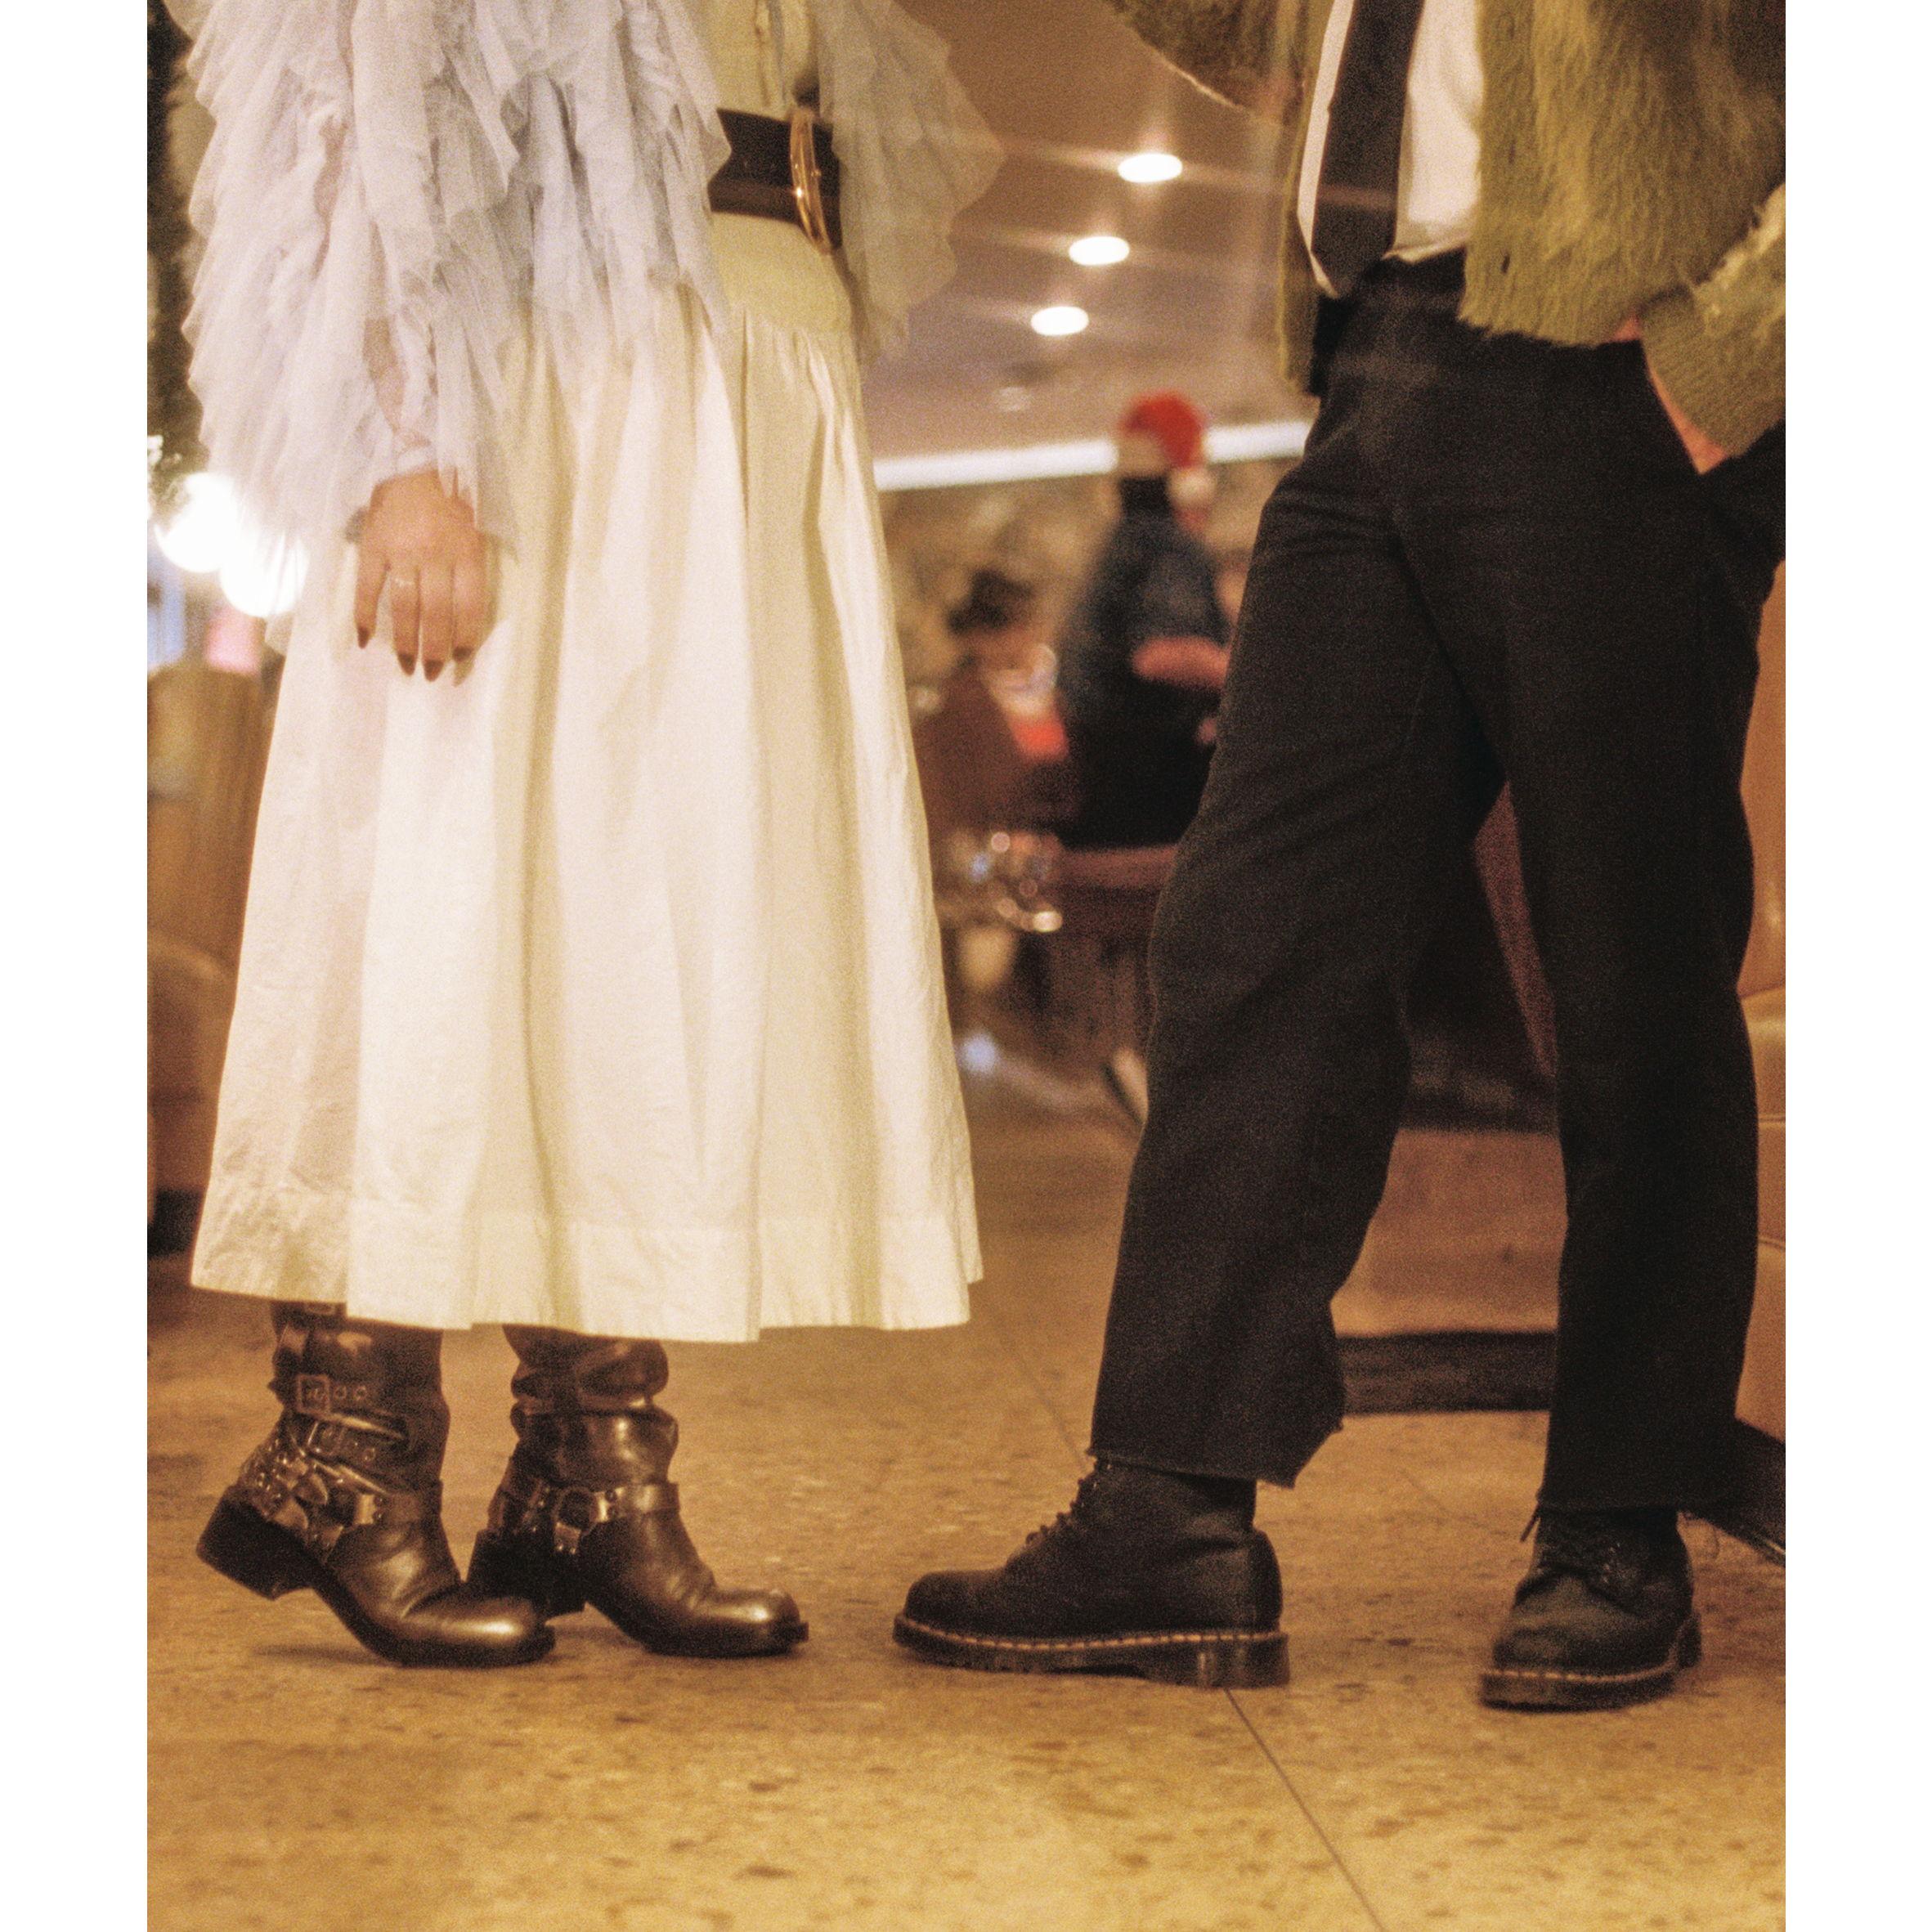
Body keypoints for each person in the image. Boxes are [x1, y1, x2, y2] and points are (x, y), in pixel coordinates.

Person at [898, 0, 1784, 1709]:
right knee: (1253, 932)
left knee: (1626, 960)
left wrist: (1733, 353)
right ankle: (1169, 1506)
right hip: (1373, 356)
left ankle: (1616, 1521)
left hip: (1613, 353)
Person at [171, 0, 997, 1668]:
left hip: (736, 370)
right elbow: (351, 87)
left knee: (635, 920)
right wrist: (405, 453)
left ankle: (588, 1463)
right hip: (541, 391)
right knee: (442, 885)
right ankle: (348, 1444)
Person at [1056, 392, 1232, 849]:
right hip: (1155, 793)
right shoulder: (1165, 543)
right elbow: (1160, 655)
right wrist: (1260, 680)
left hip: (1107, 793)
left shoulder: (1119, 543)